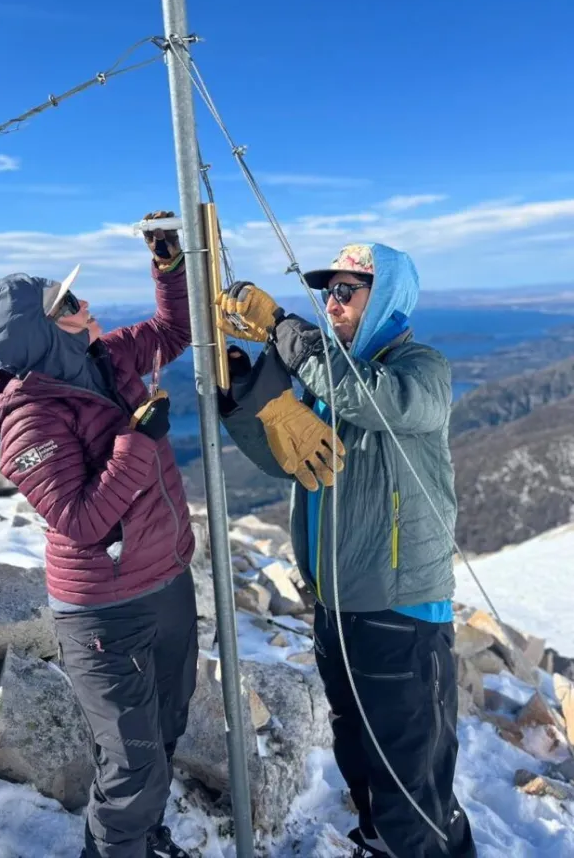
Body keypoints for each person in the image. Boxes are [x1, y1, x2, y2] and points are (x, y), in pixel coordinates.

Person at [215, 243, 477, 858]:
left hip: (401, 609)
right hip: (336, 605)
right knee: (361, 762)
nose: (331, 304)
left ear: (384, 297)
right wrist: (245, 394)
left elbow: (378, 400)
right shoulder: (330, 377)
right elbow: (285, 458)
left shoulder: (419, 369)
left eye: (345, 292)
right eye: (326, 293)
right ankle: (375, 843)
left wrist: (284, 329)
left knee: (413, 786)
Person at [0, 212, 197, 858]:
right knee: (132, 766)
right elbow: (82, 520)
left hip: (166, 579)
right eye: (67, 304)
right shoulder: (28, 425)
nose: (85, 304)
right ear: (42, 333)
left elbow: (172, 332)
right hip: (106, 613)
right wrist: (137, 440)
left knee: (166, 730)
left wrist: (169, 265)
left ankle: (146, 841)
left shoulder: (105, 356)